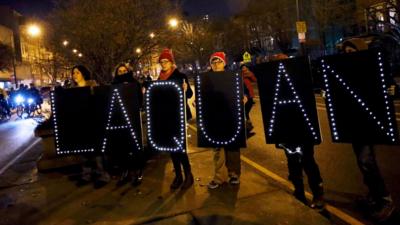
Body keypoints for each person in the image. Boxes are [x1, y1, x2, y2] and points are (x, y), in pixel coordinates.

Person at [341, 42, 395, 221]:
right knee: (362, 160)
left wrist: (392, 89)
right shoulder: (346, 72)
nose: (348, 54)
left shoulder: (371, 67)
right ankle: (373, 194)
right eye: (345, 52)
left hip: (369, 121)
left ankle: (385, 198)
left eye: (351, 51)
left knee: (366, 160)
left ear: (359, 51)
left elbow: (388, 83)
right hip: (355, 123)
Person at [268, 53, 325, 210]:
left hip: (303, 127)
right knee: (293, 161)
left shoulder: (299, 79)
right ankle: (299, 190)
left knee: (307, 160)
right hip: (286, 130)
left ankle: (318, 193)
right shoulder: (273, 85)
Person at [207, 52, 246, 189]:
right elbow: (204, 97)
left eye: (218, 62)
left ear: (224, 63)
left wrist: (243, 98)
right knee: (218, 150)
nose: (216, 64)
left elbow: (242, 93)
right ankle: (219, 177)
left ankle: (234, 174)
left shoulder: (232, 77)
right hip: (215, 119)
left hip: (231, 117)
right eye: (213, 62)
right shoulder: (207, 79)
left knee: (233, 148)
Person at [157, 48, 194, 189]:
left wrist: (186, 89)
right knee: (172, 147)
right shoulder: (159, 78)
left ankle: (188, 175)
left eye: (166, 61)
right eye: (161, 62)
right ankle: (178, 175)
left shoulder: (180, 76)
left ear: (171, 62)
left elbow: (189, 95)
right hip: (165, 117)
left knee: (181, 146)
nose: (163, 64)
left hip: (178, 115)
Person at [71, 65, 110, 188]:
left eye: (77, 72)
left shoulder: (92, 86)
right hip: (81, 124)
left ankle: (103, 175)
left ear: (83, 73)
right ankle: (86, 174)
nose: (75, 75)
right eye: (73, 73)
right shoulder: (73, 89)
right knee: (84, 151)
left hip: (94, 123)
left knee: (97, 151)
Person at [111, 63, 145, 187]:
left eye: (124, 70)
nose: (122, 73)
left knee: (135, 146)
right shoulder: (114, 85)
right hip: (119, 119)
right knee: (123, 147)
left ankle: (138, 171)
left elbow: (140, 101)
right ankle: (125, 171)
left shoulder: (135, 84)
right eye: (119, 71)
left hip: (133, 118)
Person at [240, 64, 257, 137]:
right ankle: (247, 128)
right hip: (242, 95)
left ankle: (248, 127)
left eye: (245, 67)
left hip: (249, 94)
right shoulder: (239, 74)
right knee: (244, 112)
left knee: (247, 110)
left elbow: (255, 80)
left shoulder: (249, 74)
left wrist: (250, 75)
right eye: (243, 68)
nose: (244, 69)